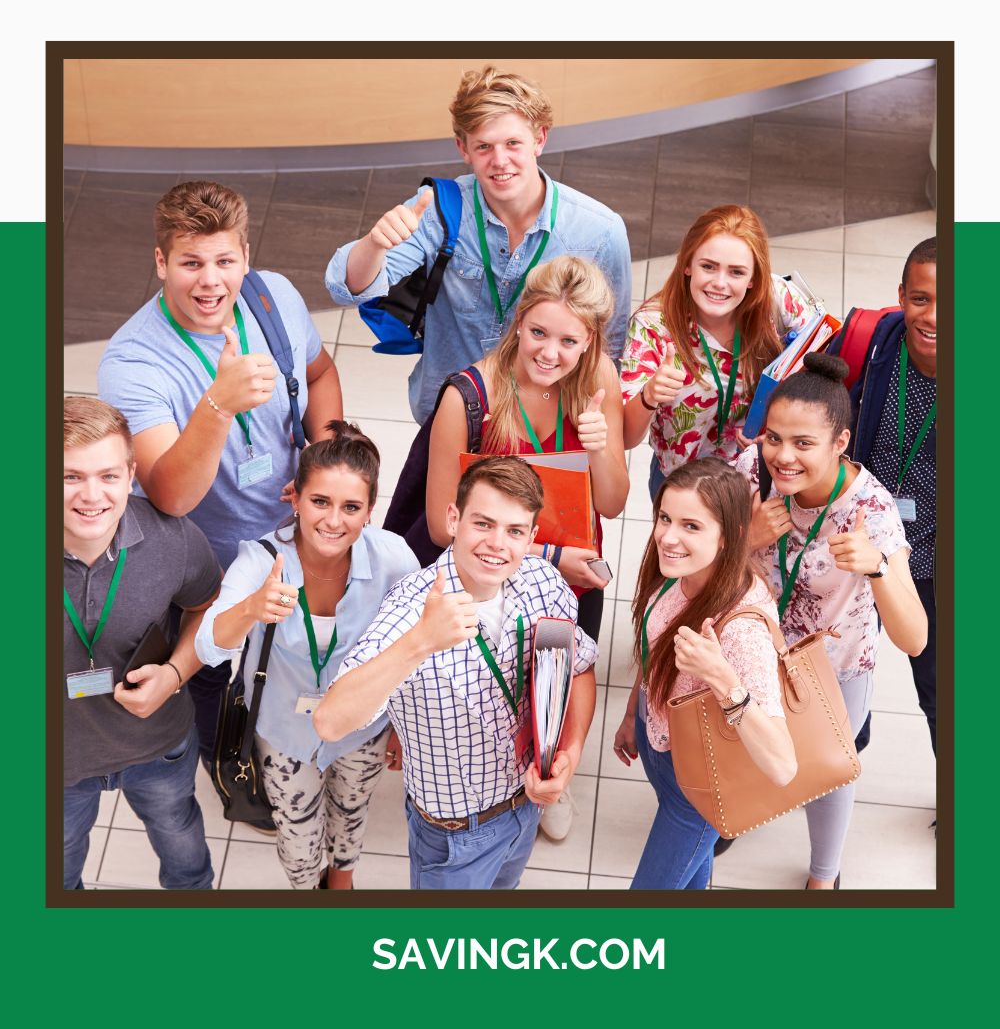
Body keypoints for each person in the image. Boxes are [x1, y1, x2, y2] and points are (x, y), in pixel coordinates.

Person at [98, 180, 343, 760]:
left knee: (298, 651)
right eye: (190, 263)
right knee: (210, 672)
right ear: (161, 262)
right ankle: (226, 759)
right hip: (210, 564)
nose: (210, 281)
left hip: (296, 533)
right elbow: (169, 495)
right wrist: (218, 404)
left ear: (246, 257)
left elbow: (320, 375)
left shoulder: (272, 298)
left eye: (224, 261)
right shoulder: (133, 361)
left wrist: (325, 452)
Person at [314, 456, 598, 890]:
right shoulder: (410, 610)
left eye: (514, 531)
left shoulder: (543, 581)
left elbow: (579, 668)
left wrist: (571, 753)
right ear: (454, 519)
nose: (497, 545)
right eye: (483, 524)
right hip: (454, 837)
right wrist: (421, 641)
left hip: (526, 808)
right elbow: (329, 721)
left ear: (531, 537)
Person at [324, 65, 633, 423]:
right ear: (463, 149)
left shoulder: (600, 231)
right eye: (484, 146)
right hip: (449, 415)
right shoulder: (438, 208)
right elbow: (346, 288)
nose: (500, 161)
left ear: (540, 139)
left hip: (546, 421)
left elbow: (609, 348)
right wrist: (376, 245)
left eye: (513, 143)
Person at [194, 422, 418, 890]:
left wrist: (400, 725)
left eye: (351, 507)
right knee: (297, 834)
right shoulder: (260, 562)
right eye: (320, 502)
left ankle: (342, 881)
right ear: (295, 498)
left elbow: (412, 649)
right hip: (284, 733)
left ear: (369, 512)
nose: (334, 521)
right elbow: (208, 645)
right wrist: (252, 608)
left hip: (363, 727)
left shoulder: (394, 558)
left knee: (353, 808)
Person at [735, 352, 928, 888]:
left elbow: (915, 639)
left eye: (803, 444)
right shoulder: (750, 473)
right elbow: (696, 563)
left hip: (835, 668)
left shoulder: (873, 512)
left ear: (840, 443)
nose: (782, 457)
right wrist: (744, 538)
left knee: (827, 770)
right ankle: (737, 811)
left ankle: (824, 874)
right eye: (774, 437)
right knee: (748, 739)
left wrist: (879, 567)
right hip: (755, 651)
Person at [612, 458, 796, 890]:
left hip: (699, 793)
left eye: (691, 526)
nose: (668, 537)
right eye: (665, 518)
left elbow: (783, 766)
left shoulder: (742, 629)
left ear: (729, 536)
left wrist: (721, 677)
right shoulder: (678, 572)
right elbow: (654, 647)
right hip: (663, 754)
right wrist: (632, 715)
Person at [424, 256, 629, 643]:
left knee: (560, 700)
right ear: (520, 321)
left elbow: (613, 503)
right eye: (538, 332)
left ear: (590, 340)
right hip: (488, 591)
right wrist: (551, 557)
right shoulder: (468, 398)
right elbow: (440, 525)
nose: (549, 354)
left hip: (574, 589)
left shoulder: (599, 376)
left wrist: (599, 449)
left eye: (568, 341)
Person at [63, 397, 221, 891]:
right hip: (58, 764)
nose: (92, 496)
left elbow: (206, 605)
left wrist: (175, 673)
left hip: (158, 746)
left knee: (184, 853)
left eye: (108, 475)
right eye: (69, 476)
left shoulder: (173, 538)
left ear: (131, 474)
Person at [620, 204, 815, 500]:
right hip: (680, 482)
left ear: (753, 279)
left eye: (736, 272)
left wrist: (779, 425)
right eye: (708, 266)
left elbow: (827, 365)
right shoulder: (653, 325)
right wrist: (649, 396)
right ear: (687, 265)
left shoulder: (775, 300)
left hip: (758, 472)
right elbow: (626, 437)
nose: (720, 283)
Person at [832, 237, 937, 753]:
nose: (934, 317)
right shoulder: (871, 344)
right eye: (921, 298)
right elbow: (815, 408)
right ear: (901, 295)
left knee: (943, 689)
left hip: (940, 557)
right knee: (835, 667)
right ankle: (846, 744)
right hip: (858, 543)